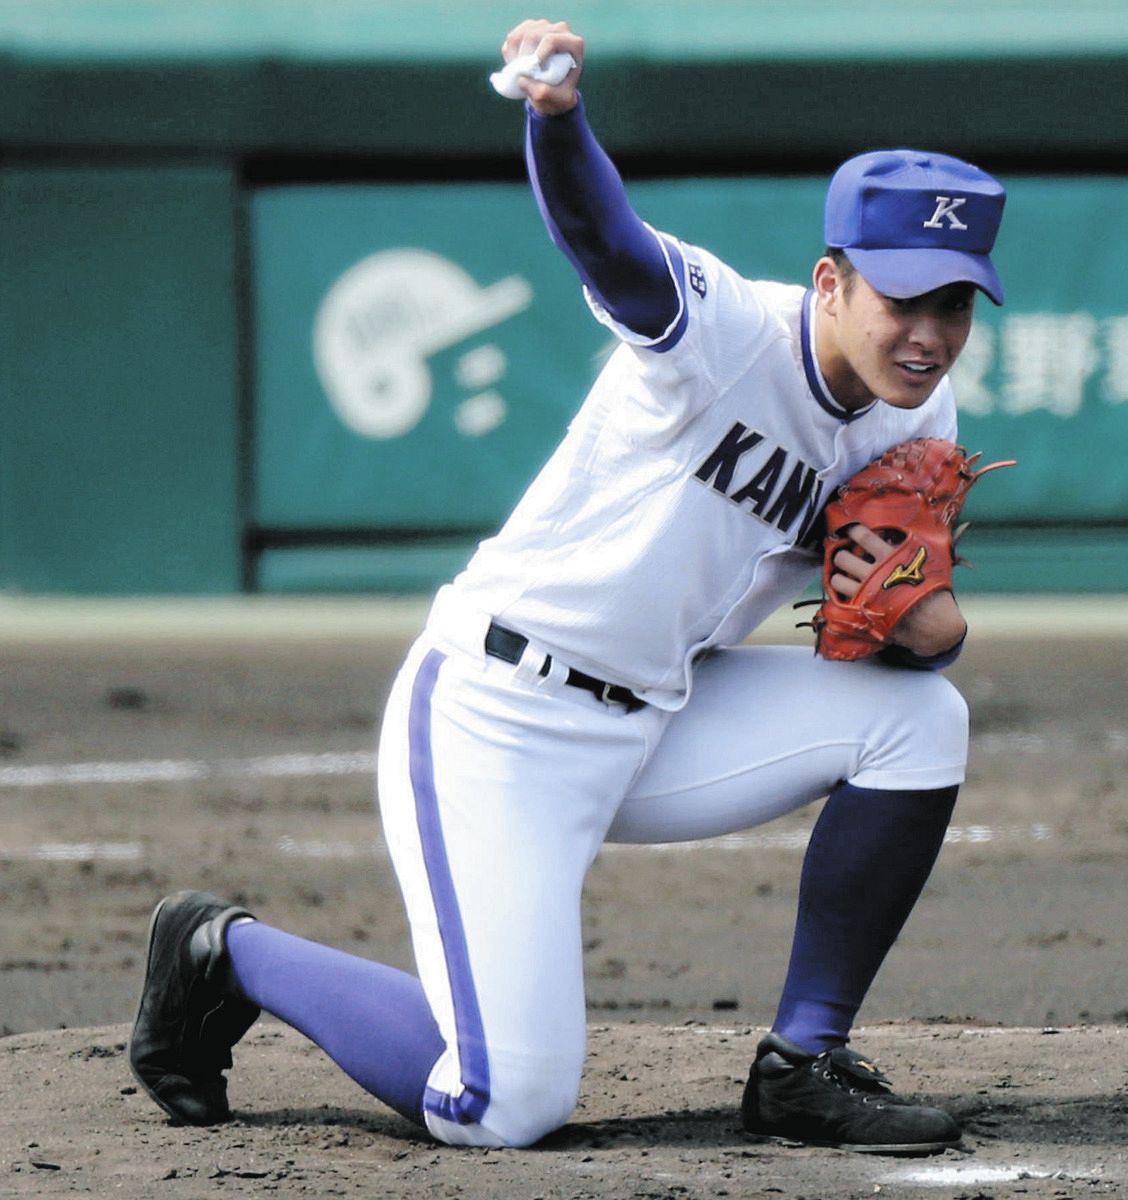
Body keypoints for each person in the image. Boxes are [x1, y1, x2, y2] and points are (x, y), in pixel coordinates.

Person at [129, 17, 1008, 1156]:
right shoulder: (729, 329)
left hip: (663, 718)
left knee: (920, 721)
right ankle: (223, 951)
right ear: (832, 281)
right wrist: (558, 121)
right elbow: (611, 244)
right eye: (906, 299)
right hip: (501, 713)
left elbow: (901, 626)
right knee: (502, 1106)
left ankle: (805, 1062)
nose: (931, 333)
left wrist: (935, 633)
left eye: (955, 305)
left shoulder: (919, 413)